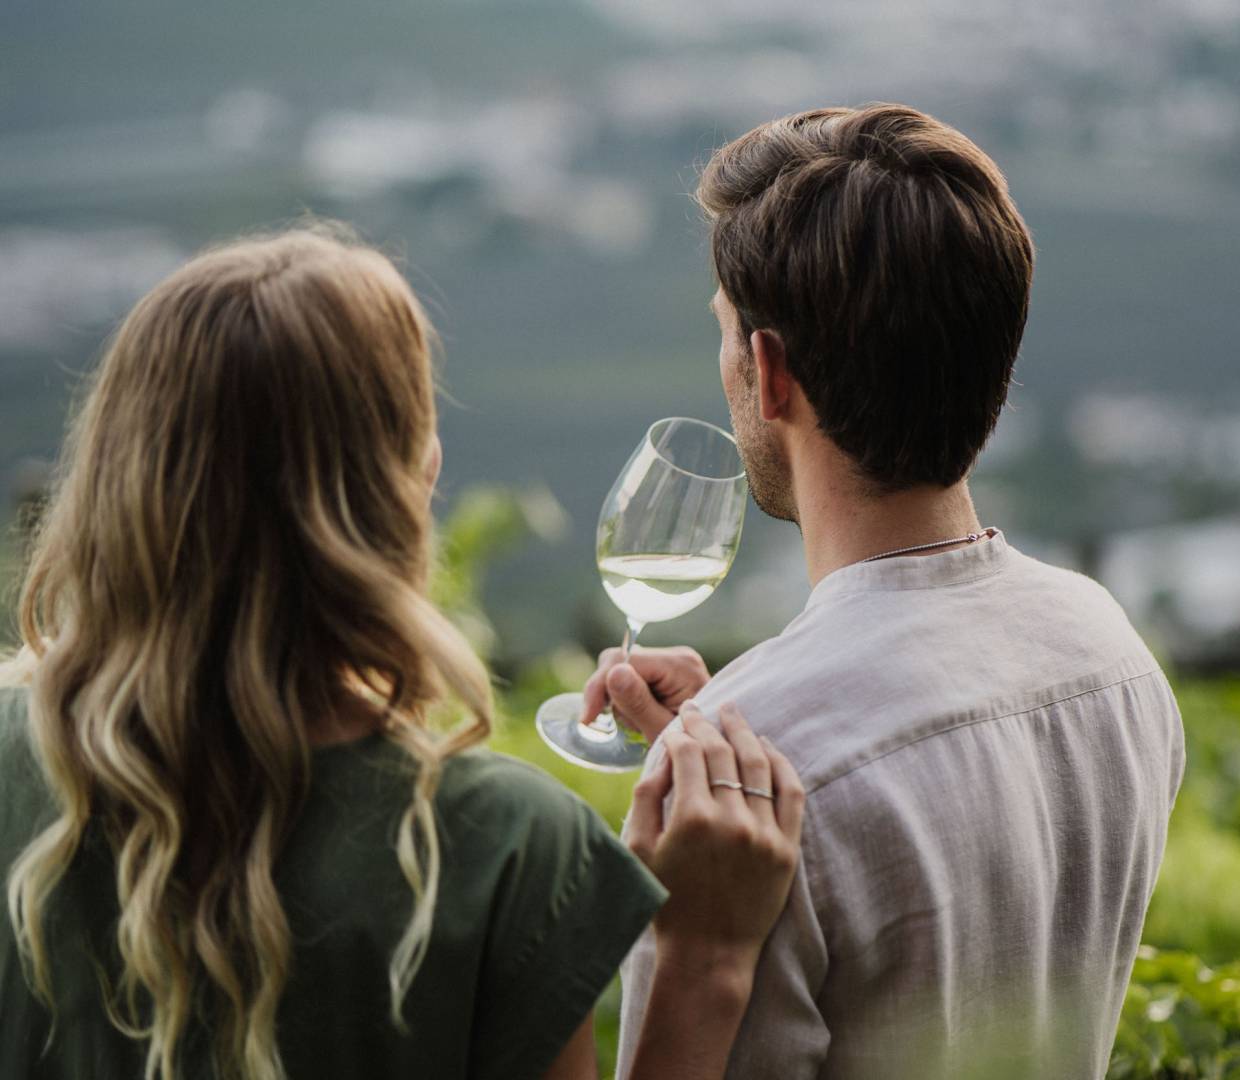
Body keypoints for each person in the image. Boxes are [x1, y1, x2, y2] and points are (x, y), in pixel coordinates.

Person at [0, 226, 805, 1080]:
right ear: (416, 478)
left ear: (119, 476)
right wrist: (705, 960)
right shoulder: (505, 848)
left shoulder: (19, 752)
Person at [583, 104, 1187, 1078]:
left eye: (726, 336)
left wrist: (703, 929)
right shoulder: (1110, 655)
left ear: (768, 373)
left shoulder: (760, 773)